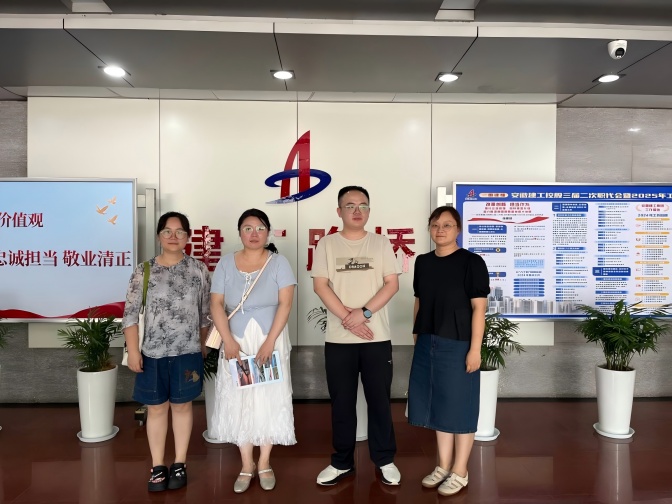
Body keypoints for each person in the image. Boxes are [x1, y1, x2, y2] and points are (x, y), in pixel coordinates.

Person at [312, 185, 402, 486]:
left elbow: (392, 284)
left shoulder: (381, 243)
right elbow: (320, 285)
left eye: (363, 205)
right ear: (339, 211)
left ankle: (384, 459)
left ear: (369, 211)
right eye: (350, 205)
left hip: (376, 338)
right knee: (342, 403)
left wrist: (362, 313)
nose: (357, 210)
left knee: (379, 401)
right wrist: (347, 318)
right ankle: (341, 462)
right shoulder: (326, 244)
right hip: (339, 341)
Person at [122, 211, 212, 492]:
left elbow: (206, 315)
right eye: (167, 231)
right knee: (156, 408)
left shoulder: (199, 270)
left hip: (188, 352)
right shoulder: (144, 270)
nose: (174, 237)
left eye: (180, 231)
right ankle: (158, 466)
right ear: (159, 235)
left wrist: (203, 347)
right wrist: (134, 351)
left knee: (183, 406)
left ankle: (180, 463)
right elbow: (130, 315)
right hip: (152, 353)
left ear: (188, 236)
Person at [209, 208, 296, 493]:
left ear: (268, 232)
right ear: (240, 233)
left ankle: (265, 462)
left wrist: (270, 342)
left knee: (268, 397)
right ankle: (247, 464)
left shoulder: (279, 262)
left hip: (270, 339)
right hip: (236, 339)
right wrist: (228, 340)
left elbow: (285, 303)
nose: (254, 233)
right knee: (241, 399)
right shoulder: (225, 263)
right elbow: (216, 304)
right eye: (248, 228)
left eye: (260, 228)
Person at [408, 205, 489, 497]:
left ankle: (460, 470)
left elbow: (479, 308)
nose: (440, 230)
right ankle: (443, 466)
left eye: (447, 225)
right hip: (427, 340)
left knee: (461, 406)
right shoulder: (423, 262)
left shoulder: (472, 262)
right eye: (435, 225)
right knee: (439, 405)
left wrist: (475, 349)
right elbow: (419, 300)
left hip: (458, 343)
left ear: (458, 229)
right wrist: (416, 334)